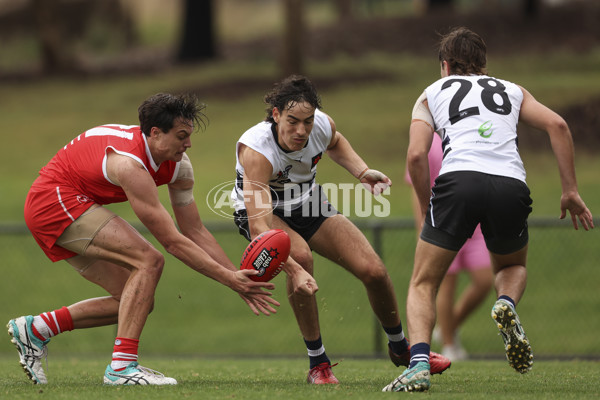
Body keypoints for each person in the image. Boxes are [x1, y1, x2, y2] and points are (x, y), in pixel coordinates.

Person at [8, 93, 280, 386]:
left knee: (135, 299)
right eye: (181, 136)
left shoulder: (179, 167)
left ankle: (36, 329)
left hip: (66, 203)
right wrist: (229, 279)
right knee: (149, 260)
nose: (188, 144)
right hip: (52, 202)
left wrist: (236, 276)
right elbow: (172, 242)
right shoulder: (130, 165)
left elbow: (194, 230)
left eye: (188, 135)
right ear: (154, 133)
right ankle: (122, 369)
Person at [383, 27, 594, 392]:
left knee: (423, 282)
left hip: (458, 183)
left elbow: (416, 155)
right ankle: (506, 303)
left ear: (445, 65)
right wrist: (570, 190)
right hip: (509, 184)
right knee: (512, 266)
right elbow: (558, 125)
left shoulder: (431, 93)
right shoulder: (511, 90)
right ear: (484, 65)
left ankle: (418, 364)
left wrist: (426, 204)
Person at [231, 75, 451, 385]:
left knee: (373, 270)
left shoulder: (321, 125)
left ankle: (401, 350)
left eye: (307, 122)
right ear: (276, 114)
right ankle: (318, 364)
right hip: (264, 215)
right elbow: (259, 227)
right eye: (293, 121)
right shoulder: (257, 151)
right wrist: (293, 270)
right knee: (303, 260)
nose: (301, 130)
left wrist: (362, 172)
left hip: (308, 204)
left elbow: (335, 142)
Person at [405, 133, 493, 361]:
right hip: (442, 223)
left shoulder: (470, 132)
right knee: (445, 287)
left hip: (475, 224)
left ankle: (447, 327)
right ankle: (449, 345)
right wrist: (421, 227)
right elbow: (416, 186)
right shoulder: (428, 141)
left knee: (485, 280)